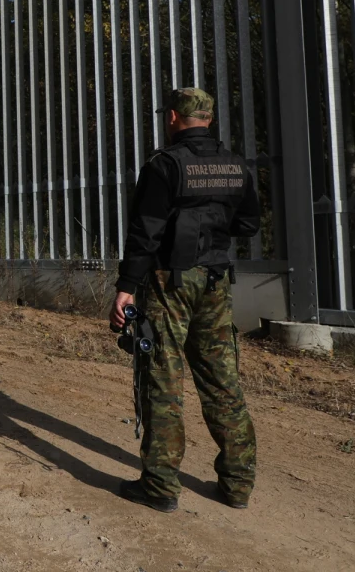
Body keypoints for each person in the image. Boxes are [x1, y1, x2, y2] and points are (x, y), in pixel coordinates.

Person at [109, 87, 260, 513]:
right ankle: (237, 484)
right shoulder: (236, 166)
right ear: (209, 119)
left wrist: (125, 286)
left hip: (168, 284)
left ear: (174, 117)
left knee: (163, 379)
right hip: (215, 284)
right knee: (222, 381)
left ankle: (159, 485)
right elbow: (248, 223)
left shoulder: (165, 166)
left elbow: (146, 232)